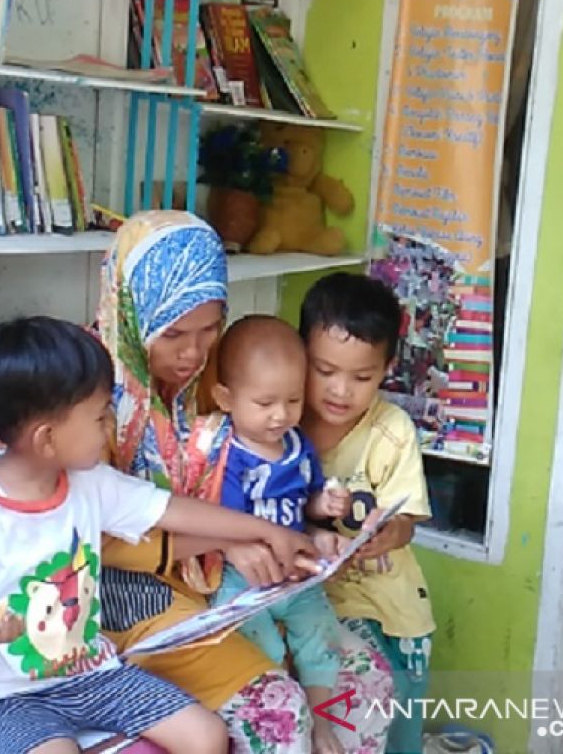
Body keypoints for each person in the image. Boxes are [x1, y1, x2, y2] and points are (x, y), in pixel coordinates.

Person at [0, 316, 321, 754]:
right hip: (3, 696)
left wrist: (266, 532)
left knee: (206, 736)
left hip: (92, 674)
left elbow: (172, 509)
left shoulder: (88, 483)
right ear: (47, 438)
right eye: (99, 416)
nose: (111, 426)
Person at [95, 210, 394, 754]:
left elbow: (268, 486)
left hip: (230, 588)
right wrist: (230, 542)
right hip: (136, 602)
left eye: (210, 328)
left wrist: (310, 526)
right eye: (174, 334)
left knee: (366, 682)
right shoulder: (92, 403)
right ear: (134, 315)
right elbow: (91, 542)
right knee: (277, 712)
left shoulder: (213, 381)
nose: (193, 352)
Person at [299, 272, 436, 754]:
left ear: (386, 369)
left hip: (388, 609)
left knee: (395, 723)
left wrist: (388, 532)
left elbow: (409, 521)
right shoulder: (282, 419)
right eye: (325, 370)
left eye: (361, 377)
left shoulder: (392, 432)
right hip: (312, 602)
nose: (341, 391)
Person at [208, 315, 354, 754]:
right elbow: (221, 523)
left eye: (292, 400)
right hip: (245, 579)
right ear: (225, 398)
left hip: (296, 573)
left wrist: (322, 512)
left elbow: (303, 502)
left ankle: (323, 724)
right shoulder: (226, 455)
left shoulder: (298, 446)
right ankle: (284, 705)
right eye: (265, 402)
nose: (280, 415)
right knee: (259, 642)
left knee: (320, 633)